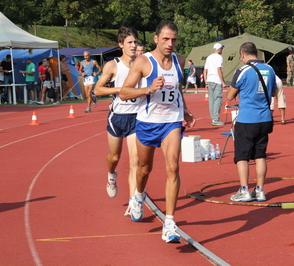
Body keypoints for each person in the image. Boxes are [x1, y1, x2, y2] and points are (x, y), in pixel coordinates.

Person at [119, 20, 196, 243]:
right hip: (147, 122)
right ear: (156, 39)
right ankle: (138, 196)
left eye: (173, 39)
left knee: (173, 166)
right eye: (165, 39)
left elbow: (178, 88)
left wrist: (186, 109)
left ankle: (169, 222)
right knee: (144, 169)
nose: (170, 43)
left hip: (171, 122)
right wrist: (148, 89)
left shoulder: (179, 61)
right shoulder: (144, 62)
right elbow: (124, 93)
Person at [94, 26, 140, 216]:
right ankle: (111, 175)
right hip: (117, 118)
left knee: (135, 162)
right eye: (129, 42)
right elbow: (97, 90)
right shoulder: (113, 65)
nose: (133, 46)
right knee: (114, 157)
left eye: (135, 42)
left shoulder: (142, 64)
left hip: (136, 117)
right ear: (121, 45)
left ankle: (134, 202)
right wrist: (119, 90)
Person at [226, 42, 277, 202]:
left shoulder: (243, 70)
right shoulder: (270, 69)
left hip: (247, 119)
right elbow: (274, 91)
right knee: (260, 155)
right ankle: (260, 190)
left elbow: (229, 95)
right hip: (265, 118)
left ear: (242, 54)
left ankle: (244, 190)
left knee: (242, 156)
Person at [204, 42, 226, 126]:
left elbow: (205, 70)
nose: (222, 50)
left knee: (212, 100)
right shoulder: (219, 57)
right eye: (221, 48)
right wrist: (223, 82)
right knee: (218, 100)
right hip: (216, 80)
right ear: (219, 49)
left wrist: (206, 81)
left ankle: (213, 117)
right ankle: (216, 119)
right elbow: (219, 70)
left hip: (210, 80)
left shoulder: (209, 57)